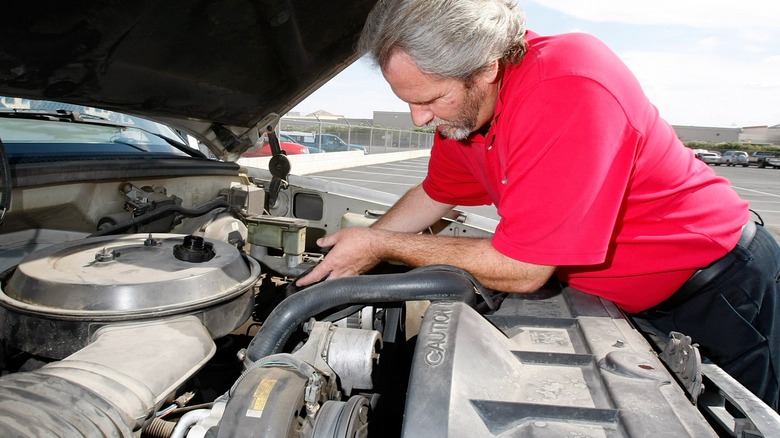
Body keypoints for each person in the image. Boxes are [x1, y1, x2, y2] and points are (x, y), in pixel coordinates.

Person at [296, 0, 780, 410]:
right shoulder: (465, 117)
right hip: (625, 302)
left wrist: (381, 245)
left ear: (486, 67)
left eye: (433, 98)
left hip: (720, 291)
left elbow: (524, 268)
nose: (419, 118)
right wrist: (351, 257)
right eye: (408, 100)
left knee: (742, 419)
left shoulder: (568, 86)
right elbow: (434, 195)